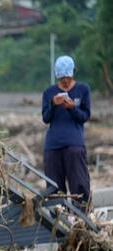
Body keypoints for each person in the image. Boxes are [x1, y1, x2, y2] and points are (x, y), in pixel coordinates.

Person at [41, 55, 92, 209]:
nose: (65, 81)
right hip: (53, 147)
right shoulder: (49, 92)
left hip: (74, 145)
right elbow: (46, 118)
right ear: (57, 76)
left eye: (68, 77)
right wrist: (53, 104)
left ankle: (83, 218)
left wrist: (72, 108)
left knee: (79, 183)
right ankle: (59, 222)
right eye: (62, 78)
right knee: (55, 188)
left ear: (73, 73)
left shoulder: (83, 89)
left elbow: (85, 116)